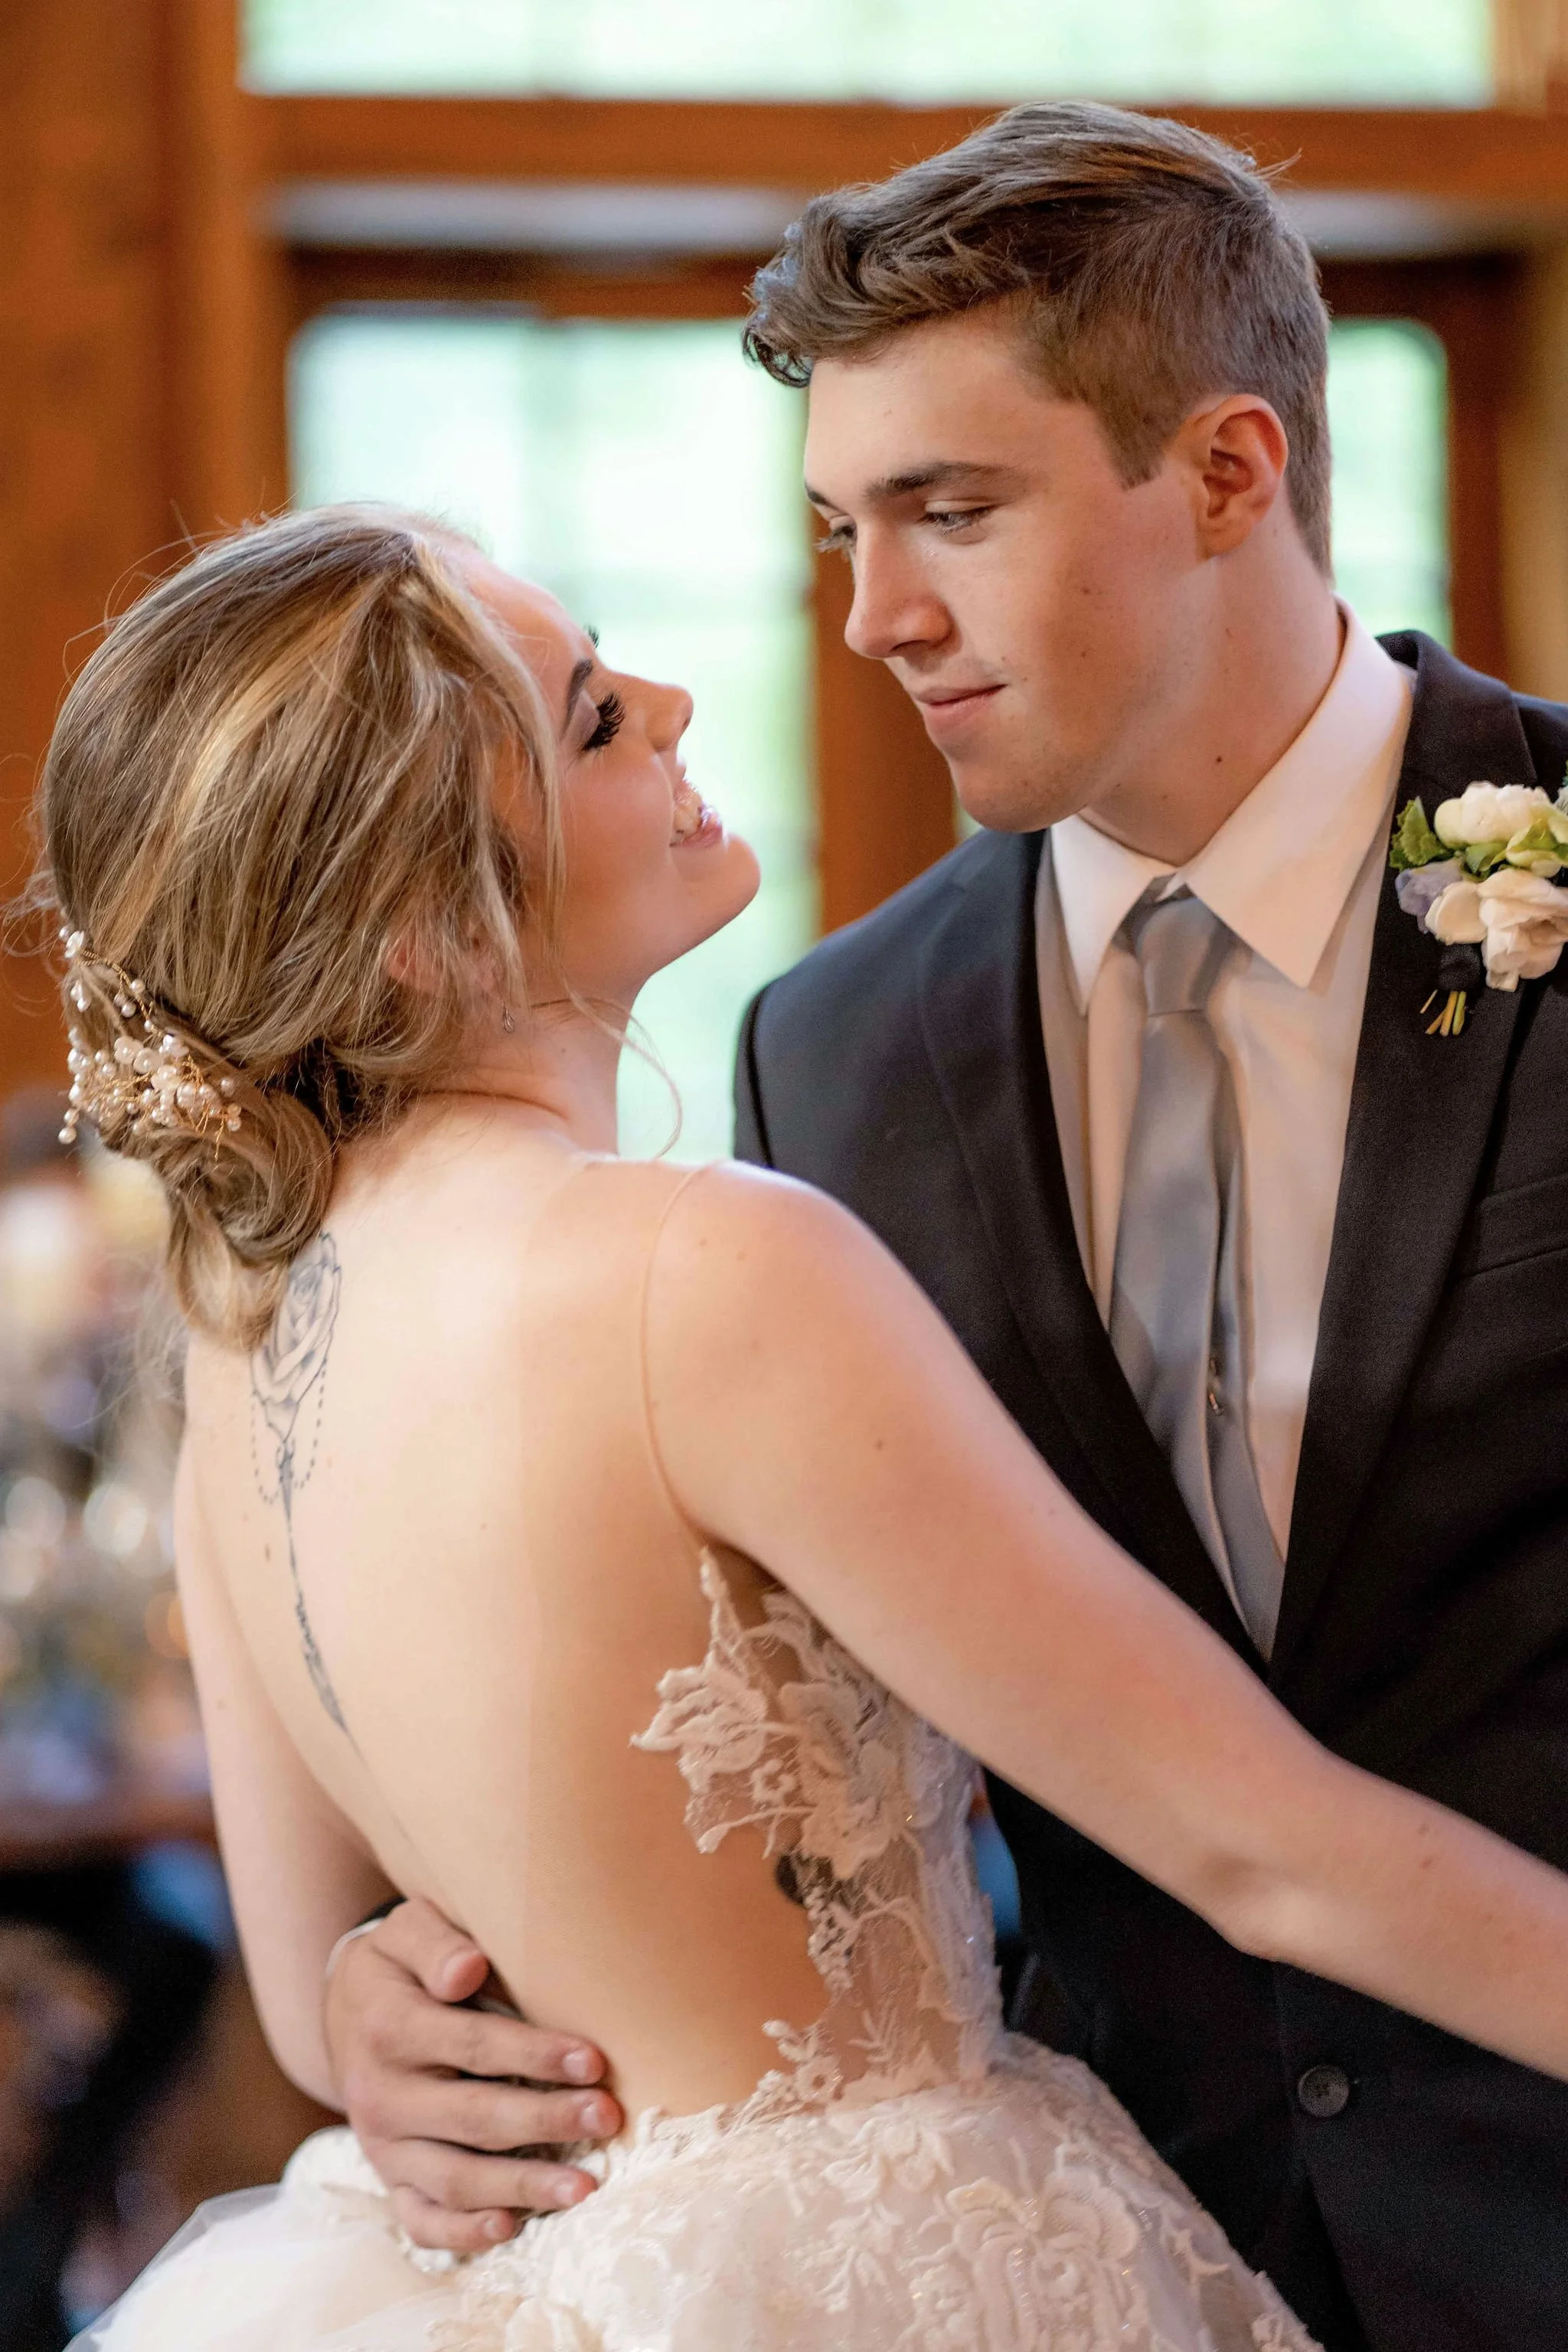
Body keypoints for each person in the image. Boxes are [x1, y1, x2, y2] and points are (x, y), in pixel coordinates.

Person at [38, 486, 1568, 2352]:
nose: (676, 707)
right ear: (420, 932)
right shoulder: (705, 1269)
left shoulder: (239, 1327)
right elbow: (1253, 1846)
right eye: (595, 716)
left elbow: (306, 1989)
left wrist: (375, 1993)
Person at [320, 103, 1568, 2352]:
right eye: (837, 529)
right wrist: (399, 1973)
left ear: (1226, 473)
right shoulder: (839, 1047)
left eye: (950, 513)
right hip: (1139, 2253)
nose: (876, 615)